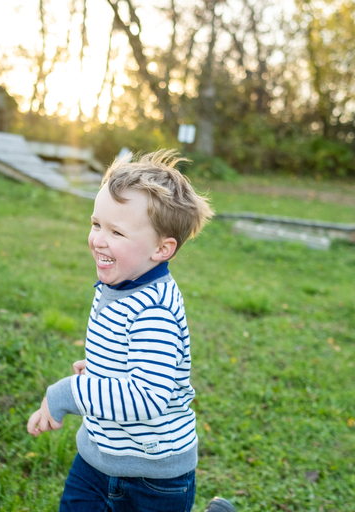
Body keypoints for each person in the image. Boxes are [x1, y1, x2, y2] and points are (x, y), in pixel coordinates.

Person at [27, 150, 233, 512]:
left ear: (162, 249)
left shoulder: (154, 311)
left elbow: (148, 396)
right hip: (95, 460)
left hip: (152, 479)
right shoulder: (118, 284)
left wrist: (68, 393)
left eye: (117, 232)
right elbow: (130, 358)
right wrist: (104, 369)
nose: (98, 240)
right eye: (96, 224)